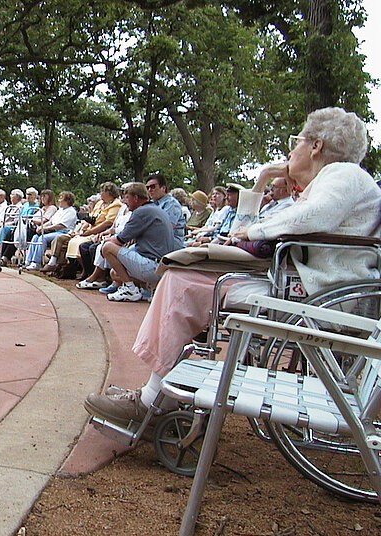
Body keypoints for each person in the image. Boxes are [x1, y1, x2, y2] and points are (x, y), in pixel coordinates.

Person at [85, 107, 381, 429]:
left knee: (182, 282)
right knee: (185, 279)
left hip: (316, 295)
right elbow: (248, 226)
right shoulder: (332, 182)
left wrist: (253, 232)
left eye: (296, 141)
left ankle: (151, 402)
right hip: (304, 287)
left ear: (316, 146)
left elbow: (303, 220)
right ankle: (158, 393)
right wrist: (264, 177)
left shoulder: (344, 175)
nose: (290, 150)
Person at [23, 191, 78, 270]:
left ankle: (36, 262)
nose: (59, 200)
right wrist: (42, 227)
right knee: (35, 237)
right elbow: (51, 221)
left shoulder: (71, 211)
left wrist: (45, 228)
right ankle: (28, 260)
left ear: (67, 200)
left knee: (42, 238)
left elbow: (61, 225)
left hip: (63, 232)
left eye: (61, 198)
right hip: (55, 231)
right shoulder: (60, 210)